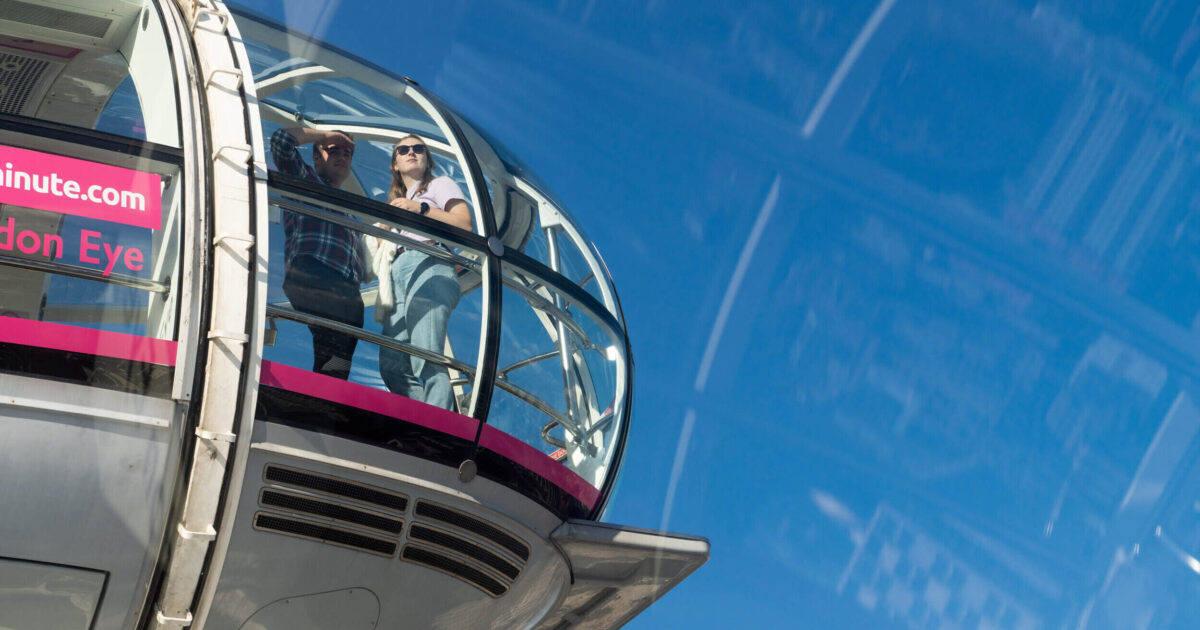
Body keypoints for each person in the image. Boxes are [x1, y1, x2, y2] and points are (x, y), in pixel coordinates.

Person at [368, 135, 472, 409]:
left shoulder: (440, 185)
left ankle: (441, 424)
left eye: (418, 149)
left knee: (426, 352)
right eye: (403, 149)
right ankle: (421, 416)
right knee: (392, 363)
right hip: (397, 271)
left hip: (428, 261)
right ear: (395, 164)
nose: (411, 152)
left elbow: (464, 225)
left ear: (427, 158)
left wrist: (422, 208)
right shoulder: (400, 200)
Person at [270, 126, 366, 380]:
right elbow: (281, 142)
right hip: (313, 271)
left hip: (347, 289)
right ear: (316, 156)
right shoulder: (306, 180)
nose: (342, 156)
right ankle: (320, 397)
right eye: (333, 150)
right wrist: (323, 135)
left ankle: (326, 397)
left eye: (347, 152)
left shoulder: (350, 208)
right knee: (332, 339)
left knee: (339, 354)